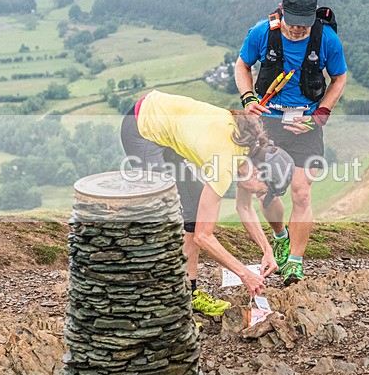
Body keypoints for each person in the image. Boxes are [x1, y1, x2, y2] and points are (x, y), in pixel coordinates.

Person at [120, 90, 295, 315]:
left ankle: (189, 295)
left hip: (165, 127)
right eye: (262, 191)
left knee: (192, 213)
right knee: (165, 214)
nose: (259, 194)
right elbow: (204, 236)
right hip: (142, 126)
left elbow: (243, 207)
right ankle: (155, 300)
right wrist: (245, 274)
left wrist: (267, 250)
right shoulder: (225, 162)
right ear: (259, 172)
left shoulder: (249, 152)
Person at [235, 0, 347, 285]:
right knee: (266, 190)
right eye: (293, 23)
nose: (298, 30)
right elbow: (242, 65)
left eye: (304, 25)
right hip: (267, 123)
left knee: (301, 191)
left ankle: (295, 261)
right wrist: (248, 98)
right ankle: (280, 236)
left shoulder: (327, 38)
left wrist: (320, 115)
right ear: (282, 11)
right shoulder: (262, 32)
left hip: (305, 125)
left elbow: (338, 78)